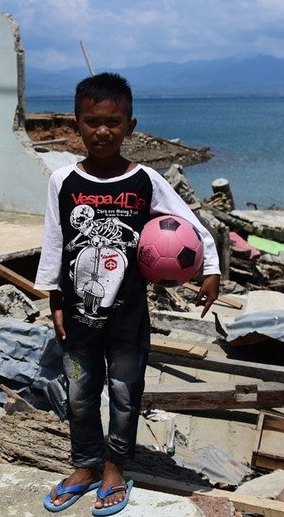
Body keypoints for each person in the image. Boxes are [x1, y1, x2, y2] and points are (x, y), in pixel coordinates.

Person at [35, 73, 221, 515]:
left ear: (130, 126)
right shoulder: (62, 180)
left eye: (113, 122)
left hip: (129, 316)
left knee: (124, 392)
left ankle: (115, 467)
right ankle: (85, 465)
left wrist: (209, 268)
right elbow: (55, 242)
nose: (103, 131)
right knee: (79, 395)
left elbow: (188, 223)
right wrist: (54, 300)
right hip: (78, 316)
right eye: (92, 121)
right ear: (75, 124)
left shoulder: (144, 180)